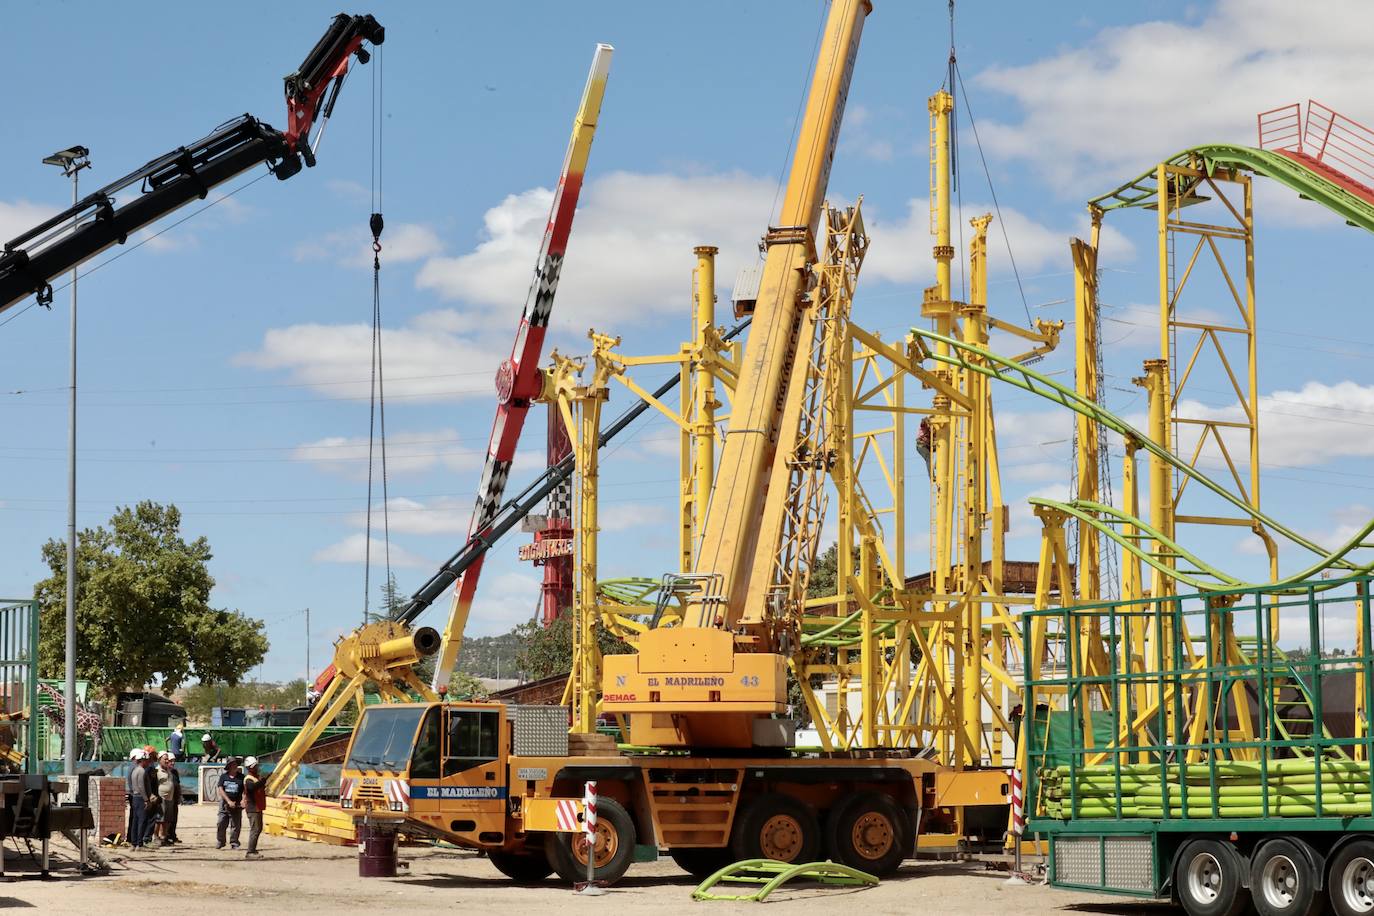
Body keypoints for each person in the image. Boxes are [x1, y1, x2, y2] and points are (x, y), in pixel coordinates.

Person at [216, 757, 245, 850]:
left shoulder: (241, 777)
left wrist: (243, 800)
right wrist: (228, 801)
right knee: (221, 822)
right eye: (233, 764)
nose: (235, 766)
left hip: (237, 804)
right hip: (224, 804)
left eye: (236, 764)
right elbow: (220, 789)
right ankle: (221, 841)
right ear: (229, 767)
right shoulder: (223, 777)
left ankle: (234, 842)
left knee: (236, 825)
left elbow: (245, 791)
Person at [156, 751, 183, 845]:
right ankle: (156, 837)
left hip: (171, 798)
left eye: (170, 760)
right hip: (161, 798)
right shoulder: (157, 771)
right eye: (166, 759)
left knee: (168, 819)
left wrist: (179, 796)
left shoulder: (171, 771)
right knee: (160, 819)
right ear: (159, 760)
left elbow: (177, 785)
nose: (169, 762)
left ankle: (165, 836)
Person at [242, 756, 267, 858]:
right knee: (255, 829)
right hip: (253, 808)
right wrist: (262, 781)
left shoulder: (256, 777)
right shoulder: (248, 779)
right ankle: (250, 852)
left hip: (257, 807)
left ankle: (253, 850)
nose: (257, 767)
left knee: (258, 828)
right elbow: (252, 787)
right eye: (255, 766)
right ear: (250, 767)